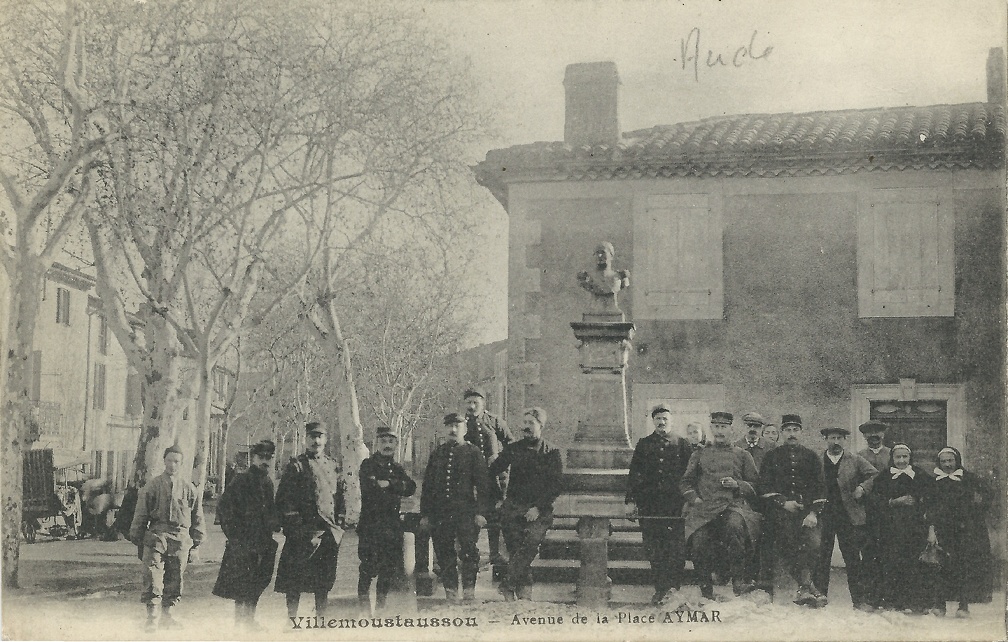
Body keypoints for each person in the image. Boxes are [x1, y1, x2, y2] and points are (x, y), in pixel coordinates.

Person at [680, 411, 761, 600]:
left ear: (731, 430)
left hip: (732, 506)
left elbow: (756, 485)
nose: (719, 431)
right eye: (716, 427)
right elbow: (686, 482)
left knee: (734, 526)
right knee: (698, 542)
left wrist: (737, 485)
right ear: (711, 428)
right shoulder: (699, 454)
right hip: (704, 509)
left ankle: (739, 581)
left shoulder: (743, 455)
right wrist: (695, 499)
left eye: (723, 427)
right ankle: (705, 588)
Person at [489, 407, 564, 601]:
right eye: (524, 423)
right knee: (515, 548)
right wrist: (498, 496)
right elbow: (493, 470)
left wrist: (538, 507)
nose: (526, 427)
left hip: (540, 510)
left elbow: (555, 486)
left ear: (541, 426)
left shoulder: (552, 452)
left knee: (530, 543)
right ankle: (523, 593)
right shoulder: (513, 449)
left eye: (531, 423)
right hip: (513, 507)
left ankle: (507, 584)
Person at [129, 445, 206, 631]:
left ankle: (168, 615)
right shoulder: (152, 486)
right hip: (157, 536)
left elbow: (197, 517)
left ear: (181, 464)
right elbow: (140, 514)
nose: (173, 464)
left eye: (177, 461)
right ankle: (152, 617)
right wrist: (138, 537)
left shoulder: (189, 488)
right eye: (170, 460)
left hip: (180, 538)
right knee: (153, 575)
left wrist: (197, 541)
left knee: (175, 577)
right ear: (164, 461)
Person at [274, 421, 346, 620]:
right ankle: (292, 621)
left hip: (328, 534)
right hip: (303, 533)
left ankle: (321, 620)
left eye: (320, 436)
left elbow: (341, 497)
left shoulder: (333, 465)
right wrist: (296, 526)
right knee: (294, 581)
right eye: (312, 437)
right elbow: (284, 500)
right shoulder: (296, 465)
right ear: (305, 439)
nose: (316, 441)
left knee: (323, 581)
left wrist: (339, 524)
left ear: (326, 439)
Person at [625, 403, 693, 604]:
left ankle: (674, 589)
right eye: (658, 419)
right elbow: (634, 474)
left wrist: (689, 502)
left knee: (676, 549)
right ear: (653, 421)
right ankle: (660, 589)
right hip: (650, 505)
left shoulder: (683, 443)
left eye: (665, 419)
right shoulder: (644, 444)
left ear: (671, 421)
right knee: (654, 548)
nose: (662, 422)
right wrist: (631, 501)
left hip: (675, 506)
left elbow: (690, 476)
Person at [420, 413, 490, 603]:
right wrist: (425, 514)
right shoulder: (437, 453)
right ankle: (451, 590)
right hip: (440, 513)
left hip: (466, 513)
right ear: (445, 430)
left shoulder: (473, 452)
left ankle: (469, 590)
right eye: (449, 426)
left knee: (468, 551)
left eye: (457, 426)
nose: (453, 430)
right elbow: (427, 487)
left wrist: (481, 512)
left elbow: (483, 486)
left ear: (464, 430)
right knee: (444, 551)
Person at [758, 414, 827, 607]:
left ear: (801, 432)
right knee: (787, 540)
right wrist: (782, 502)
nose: (791, 434)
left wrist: (813, 513)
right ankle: (807, 587)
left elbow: (821, 487)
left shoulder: (811, 456)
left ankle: (806, 587)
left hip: (807, 513)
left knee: (813, 543)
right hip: (780, 513)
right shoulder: (772, 456)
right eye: (787, 430)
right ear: (782, 432)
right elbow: (763, 485)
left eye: (795, 430)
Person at [213, 439, 279, 630]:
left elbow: (270, 510)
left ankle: (249, 620)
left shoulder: (268, 482)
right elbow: (224, 508)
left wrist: (274, 523)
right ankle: (238, 623)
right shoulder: (241, 480)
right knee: (242, 583)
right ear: (253, 458)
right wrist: (235, 536)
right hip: (243, 541)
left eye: (269, 458)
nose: (265, 461)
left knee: (259, 581)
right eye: (261, 457)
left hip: (263, 541)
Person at [811, 427, 878, 611]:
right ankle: (820, 595)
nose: (836, 442)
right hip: (824, 514)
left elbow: (874, 474)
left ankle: (859, 599)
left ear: (845, 440)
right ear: (826, 439)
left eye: (840, 438)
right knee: (822, 555)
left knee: (852, 557)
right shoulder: (817, 460)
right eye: (832, 438)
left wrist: (862, 488)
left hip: (847, 515)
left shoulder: (854, 459)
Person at [926, 446, 992, 617]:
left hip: (965, 530)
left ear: (957, 461)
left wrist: (977, 510)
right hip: (943, 530)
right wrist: (932, 529)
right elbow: (930, 507)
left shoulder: (968, 478)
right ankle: (940, 606)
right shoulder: (935, 482)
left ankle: (963, 607)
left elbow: (988, 493)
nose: (947, 465)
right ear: (939, 463)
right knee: (940, 566)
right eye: (944, 461)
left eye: (951, 461)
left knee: (963, 566)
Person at [358, 426, 417, 614]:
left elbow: (411, 487)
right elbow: (372, 488)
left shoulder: (397, 468)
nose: (387, 445)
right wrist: (394, 487)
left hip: (391, 526)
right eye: (383, 441)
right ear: (377, 444)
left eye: (391, 442)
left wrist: (390, 484)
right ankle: (363, 609)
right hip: (371, 525)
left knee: (386, 569)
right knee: (367, 568)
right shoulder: (368, 465)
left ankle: (380, 608)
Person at [870, 444, 931, 613]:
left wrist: (919, 502)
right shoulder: (884, 476)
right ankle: (892, 601)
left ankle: (915, 603)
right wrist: (893, 502)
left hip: (915, 528)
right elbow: (874, 500)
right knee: (891, 563)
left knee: (913, 564)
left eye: (905, 457)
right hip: (890, 528)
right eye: (898, 457)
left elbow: (932, 497)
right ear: (892, 459)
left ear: (910, 458)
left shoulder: (919, 475)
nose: (902, 461)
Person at [464, 386, 513, 569]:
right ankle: (469, 555)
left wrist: (501, 461)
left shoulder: (494, 421)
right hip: (470, 479)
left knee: (495, 517)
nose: (472, 405)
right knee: (472, 516)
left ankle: (495, 554)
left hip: (494, 477)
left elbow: (511, 444)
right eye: (469, 402)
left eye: (476, 402)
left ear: (483, 403)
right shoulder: (461, 424)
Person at [857, 420, 891, 609]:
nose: (873, 436)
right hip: (867, 512)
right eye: (869, 433)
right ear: (864, 436)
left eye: (877, 432)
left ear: (883, 434)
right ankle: (869, 598)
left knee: (888, 553)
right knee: (869, 554)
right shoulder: (858, 456)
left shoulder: (893, 455)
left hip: (889, 511)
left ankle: (888, 597)